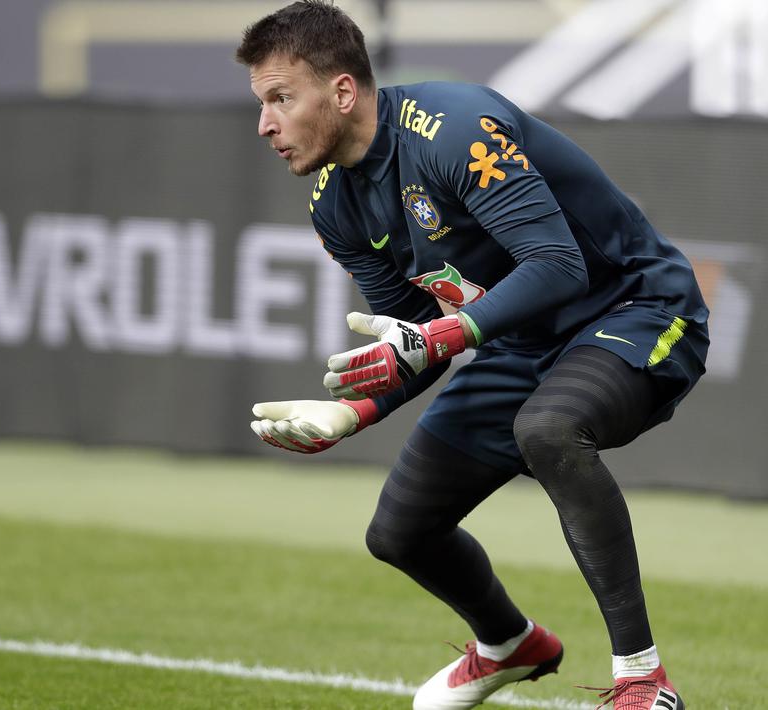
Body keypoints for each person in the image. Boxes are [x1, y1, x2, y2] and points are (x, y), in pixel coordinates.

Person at [237, 3, 706, 709]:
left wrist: (441, 337)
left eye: (280, 98)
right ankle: (508, 643)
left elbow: (556, 265)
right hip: (520, 340)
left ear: (340, 91)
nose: (266, 125)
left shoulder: (453, 130)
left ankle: (642, 679)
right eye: (260, 103)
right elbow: (412, 331)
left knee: (546, 429)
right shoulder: (333, 203)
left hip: (634, 309)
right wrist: (352, 412)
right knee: (398, 533)